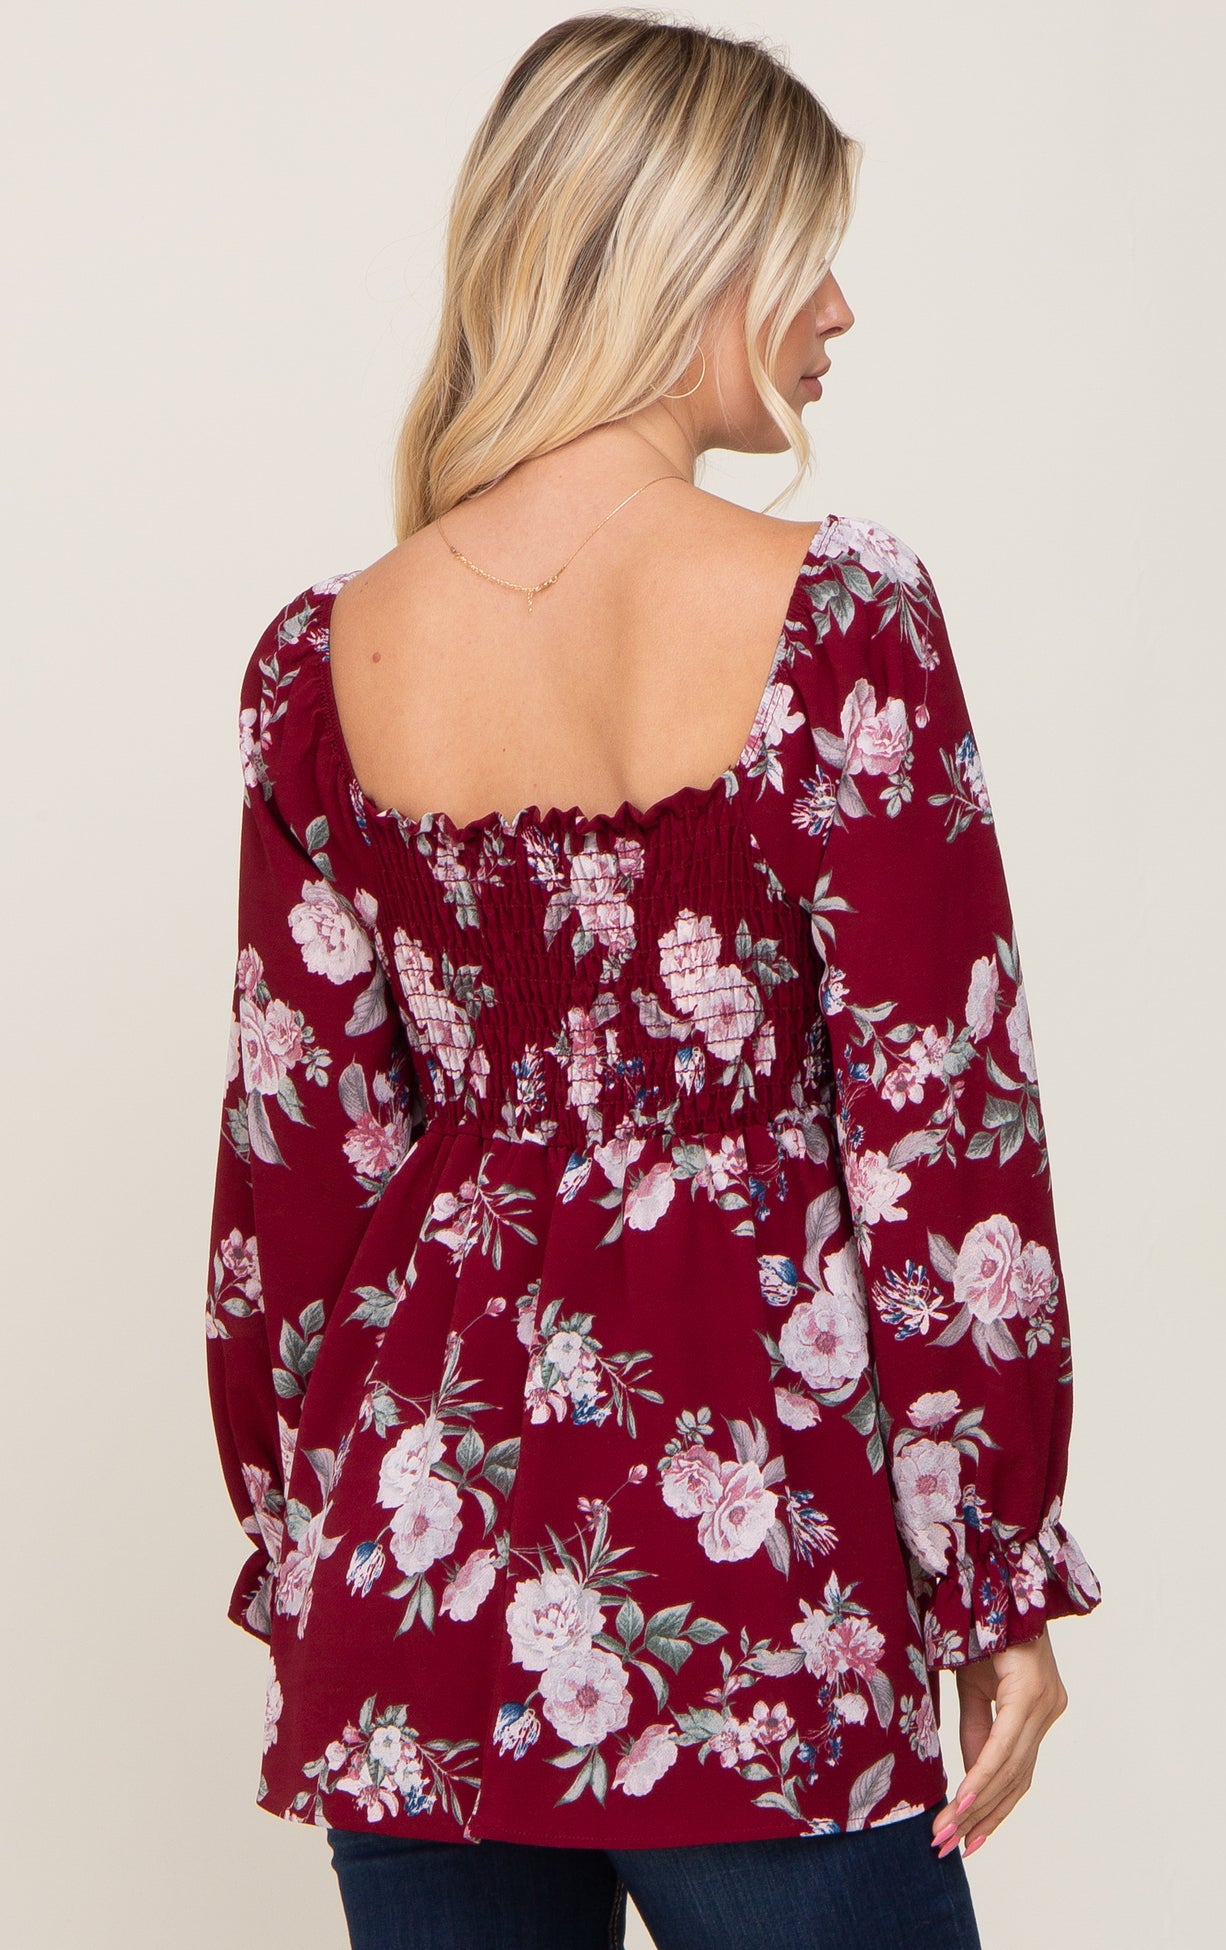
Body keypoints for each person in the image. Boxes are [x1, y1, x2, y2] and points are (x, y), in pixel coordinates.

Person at [204, 12, 1102, 1947]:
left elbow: (298, 1183)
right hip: (760, 1596)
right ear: (680, 256)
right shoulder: (839, 619)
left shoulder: (321, 663)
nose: (839, 309)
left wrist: (309, 1549)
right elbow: (942, 1136)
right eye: (803, 254)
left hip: (418, 1602)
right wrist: (994, 1573)